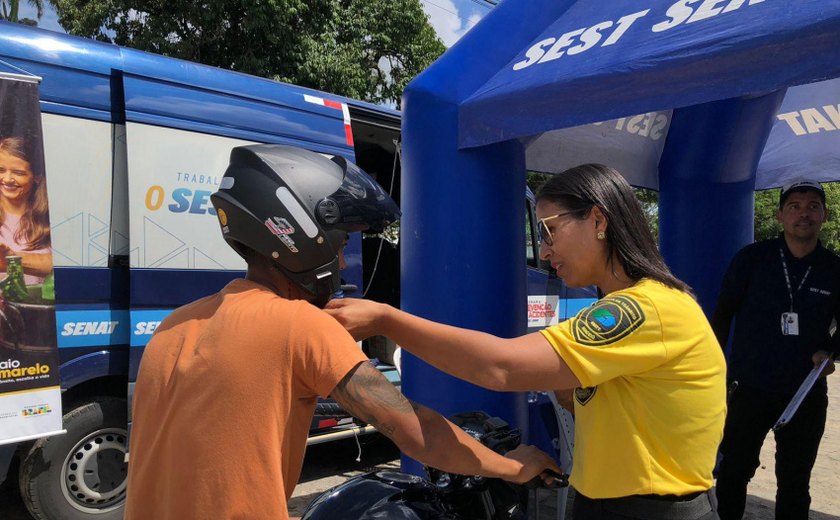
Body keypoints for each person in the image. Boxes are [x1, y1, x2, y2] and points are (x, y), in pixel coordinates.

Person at [124, 145, 559, 520]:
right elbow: (414, 430)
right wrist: (511, 467)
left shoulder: (173, 326)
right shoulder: (300, 325)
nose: (343, 258)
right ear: (301, 234)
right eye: (340, 242)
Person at [326, 163, 727, 520]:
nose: (546, 250)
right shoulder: (623, 306)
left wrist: (387, 319)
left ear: (598, 220)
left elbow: (500, 368)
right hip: (608, 501)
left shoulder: (642, 309)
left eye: (549, 230)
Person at [711, 179, 839, 520]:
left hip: (804, 395)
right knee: (734, 472)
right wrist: (714, 374)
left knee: (795, 483)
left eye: (813, 206)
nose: (804, 214)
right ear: (781, 214)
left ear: (825, 215)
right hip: (748, 387)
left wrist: (829, 350)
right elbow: (722, 315)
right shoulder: (752, 259)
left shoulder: (834, 268)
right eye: (794, 206)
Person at [0, 136, 52, 284]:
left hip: (38, 306)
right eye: (1, 170)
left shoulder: (48, 217)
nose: (7, 178)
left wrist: (12, 259)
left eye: (18, 173)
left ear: (37, 177)